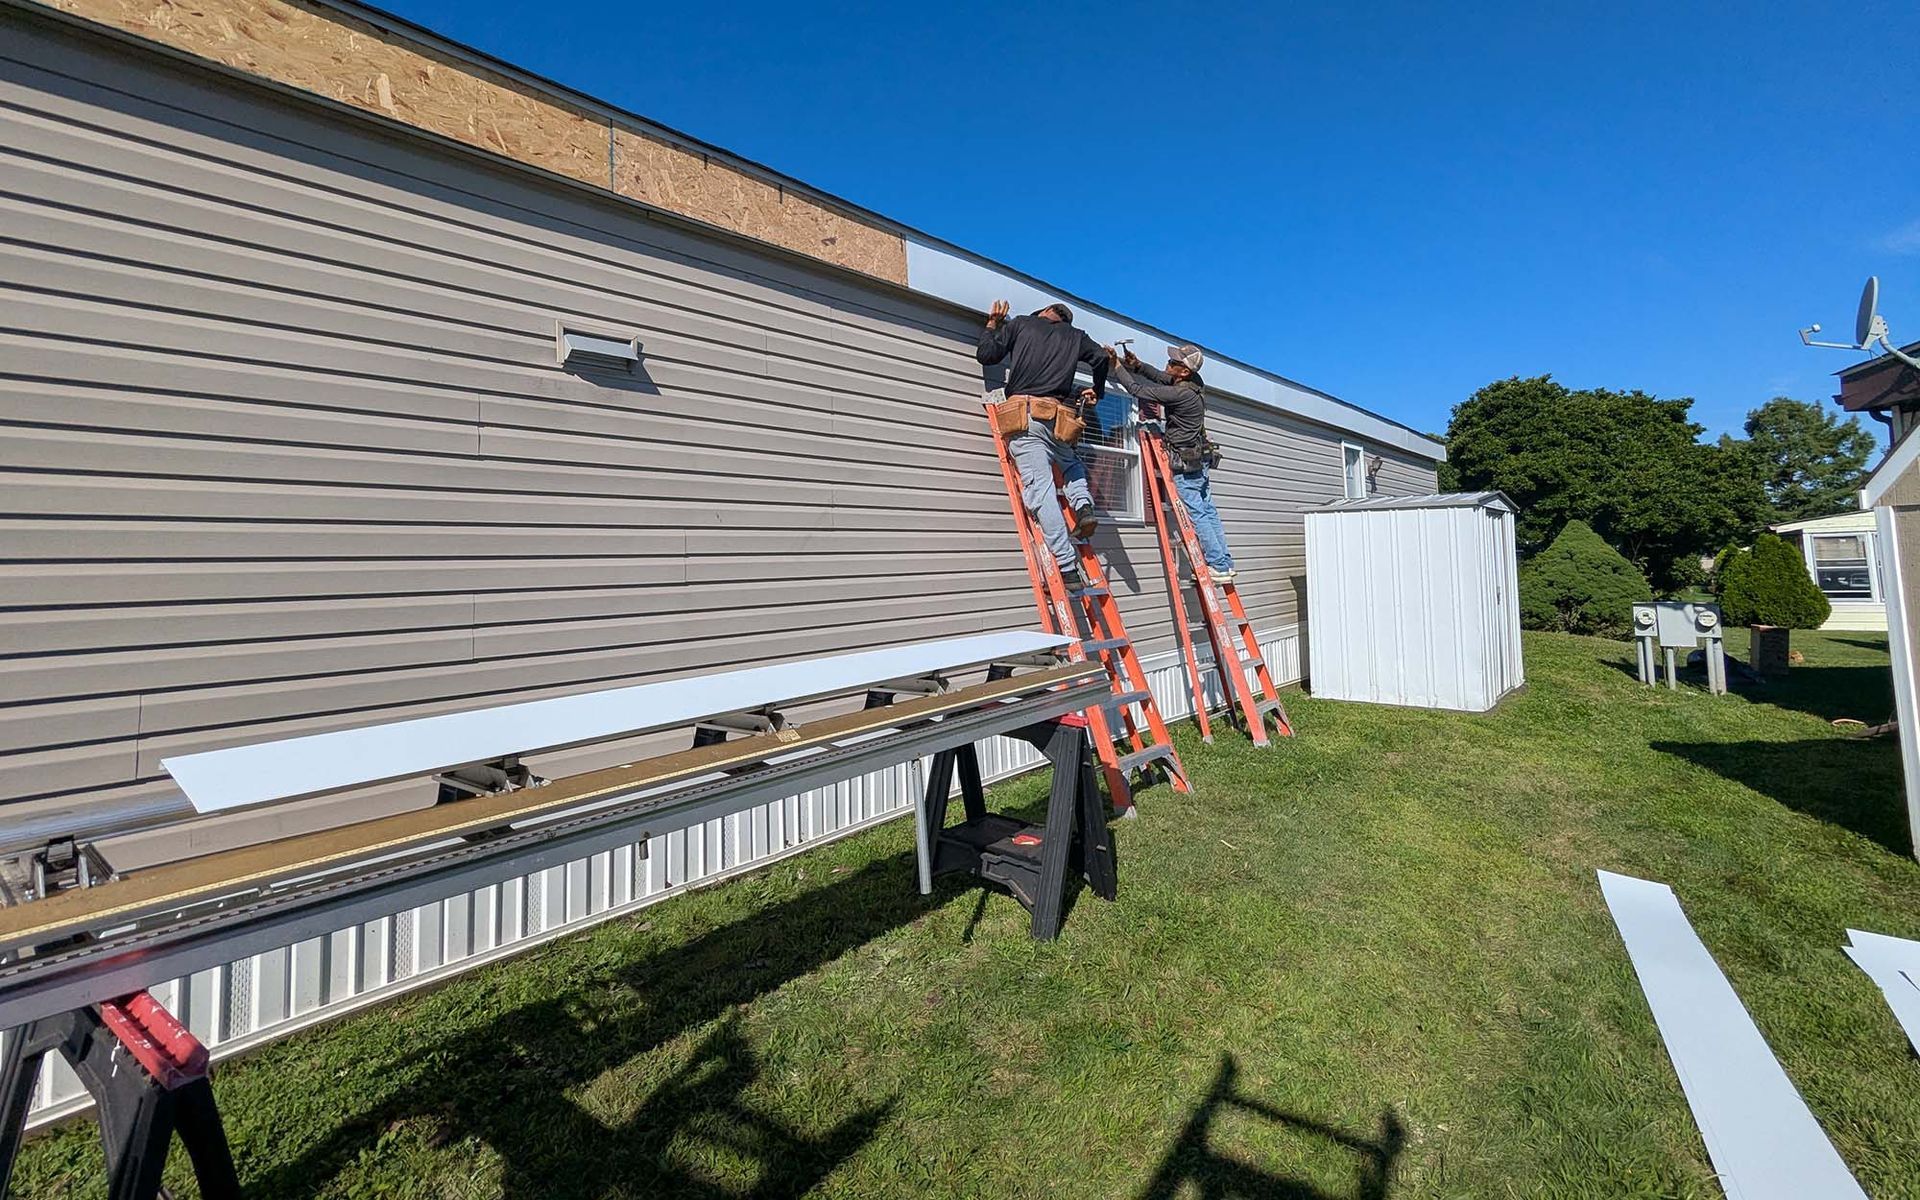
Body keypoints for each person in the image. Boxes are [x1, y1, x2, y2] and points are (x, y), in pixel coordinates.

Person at [977, 299, 1111, 590]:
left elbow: (987, 355)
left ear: (1042, 313)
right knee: (1071, 463)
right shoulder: (1076, 336)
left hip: (1026, 415)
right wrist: (1098, 390)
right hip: (1058, 416)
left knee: (1041, 491)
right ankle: (1084, 505)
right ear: (1065, 322)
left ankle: (1067, 565)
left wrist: (992, 324)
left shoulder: (1022, 322)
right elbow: (1101, 358)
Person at [1109, 343, 1236, 583]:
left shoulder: (1180, 394)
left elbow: (1137, 390)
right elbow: (1162, 377)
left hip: (1186, 462)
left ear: (1184, 371)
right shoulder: (1194, 384)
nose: (1167, 365)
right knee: (1208, 510)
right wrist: (1137, 365)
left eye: (1173, 363)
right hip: (1200, 459)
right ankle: (1224, 563)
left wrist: (1116, 366)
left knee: (1198, 513)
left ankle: (1218, 564)